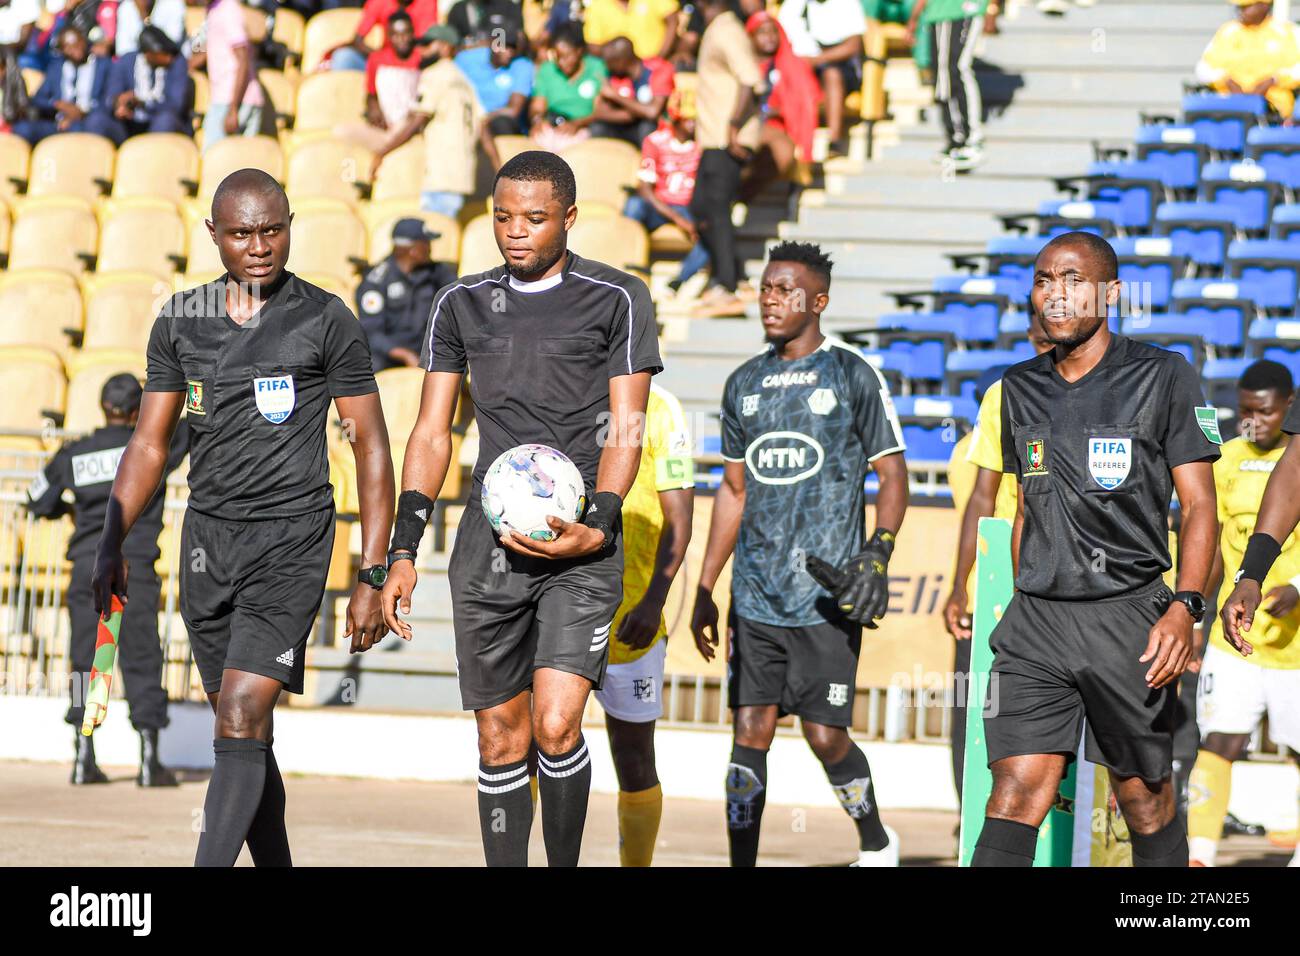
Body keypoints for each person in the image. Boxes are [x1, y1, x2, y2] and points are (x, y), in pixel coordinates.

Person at [92, 169, 395, 867]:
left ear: (289, 225)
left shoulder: (325, 318)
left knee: (238, 716)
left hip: (291, 543)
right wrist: (113, 535)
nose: (259, 246)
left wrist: (374, 569)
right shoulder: (180, 319)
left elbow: (371, 443)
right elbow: (149, 441)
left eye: (272, 229)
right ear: (214, 236)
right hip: (208, 543)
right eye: (241, 233)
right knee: (245, 736)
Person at [380, 150, 662, 867]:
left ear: (568, 219)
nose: (516, 232)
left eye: (534, 219)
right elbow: (431, 431)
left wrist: (598, 522)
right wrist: (403, 548)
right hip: (488, 545)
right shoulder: (460, 303)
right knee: (501, 737)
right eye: (504, 217)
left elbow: (627, 426)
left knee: (558, 724)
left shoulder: (618, 298)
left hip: (582, 544)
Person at [970, 232, 1221, 868]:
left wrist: (1186, 607)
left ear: (1110, 292)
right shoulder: (1017, 387)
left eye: (1074, 280)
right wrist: (1019, 599)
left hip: (1131, 619)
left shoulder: (1165, 375)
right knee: (1016, 788)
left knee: (1143, 801)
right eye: (1044, 279)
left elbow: (1199, 508)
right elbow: (1028, 507)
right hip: (1037, 625)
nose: (1055, 294)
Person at [690, 241, 910, 867]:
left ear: (818, 301)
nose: (770, 299)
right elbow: (733, 490)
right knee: (749, 733)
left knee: (825, 736)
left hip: (826, 594)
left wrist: (878, 553)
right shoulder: (743, 384)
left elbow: (893, 475)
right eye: (765, 288)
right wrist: (707, 587)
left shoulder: (852, 373)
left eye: (786, 290)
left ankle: (874, 842)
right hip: (756, 594)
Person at [27, 374, 189, 788]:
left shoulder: (75, 453)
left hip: (87, 569)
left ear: (103, 407)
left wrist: (67, 510)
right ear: (138, 410)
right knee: (141, 660)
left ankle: (84, 757)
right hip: (136, 570)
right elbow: (189, 427)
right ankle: (150, 761)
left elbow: (35, 498)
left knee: (86, 664)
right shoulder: (150, 448)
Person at [941, 314, 1051, 807]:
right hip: (996, 578)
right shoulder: (980, 436)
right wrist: (962, 584)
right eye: (1041, 332)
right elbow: (980, 510)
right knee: (977, 701)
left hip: (1056, 577)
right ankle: (974, 811)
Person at [1194, 361, 1300, 868]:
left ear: (1288, 406)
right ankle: (1199, 855)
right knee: (1219, 741)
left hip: (1296, 645)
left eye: (1264, 411)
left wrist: (1297, 588)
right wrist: (1199, 613)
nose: (1252, 421)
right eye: (1244, 411)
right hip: (1234, 632)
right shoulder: (1225, 459)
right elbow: (1210, 542)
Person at [594, 382, 694, 866]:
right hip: (559, 607)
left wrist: (654, 600)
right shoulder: (559, 385)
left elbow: (679, 514)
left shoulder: (661, 405)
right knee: (535, 744)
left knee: (633, 759)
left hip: (632, 617)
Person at [371, 25, 492, 219]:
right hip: (463, 175)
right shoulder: (466, 82)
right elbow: (485, 131)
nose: (421, 50)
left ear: (445, 47)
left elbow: (417, 121)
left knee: (434, 238)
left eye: (428, 45)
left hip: (442, 176)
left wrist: (382, 152)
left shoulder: (435, 73)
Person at [690, 0, 762, 318]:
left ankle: (727, 285)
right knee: (702, 208)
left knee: (716, 209)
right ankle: (738, 276)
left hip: (725, 138)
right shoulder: (717, 27)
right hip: (712, 137)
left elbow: (751, 79)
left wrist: (734, 125)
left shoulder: (729, 29)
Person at [624, 86, 709, 294]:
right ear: (676, 119)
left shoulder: (704, 145)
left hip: (689, 206)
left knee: (715, 230)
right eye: (689, 119)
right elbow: (644, 188)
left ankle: (679, 279)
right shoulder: (655, 141)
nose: (693, 124)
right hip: (660, 204)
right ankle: (627, 263)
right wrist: (678, 219)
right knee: (633, 206)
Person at [355, 217, 456, 373]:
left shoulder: (436, 272)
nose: (430, 249)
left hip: (426, 347)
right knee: (370, 366)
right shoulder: (375, 282)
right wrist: (405, 355)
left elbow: (458, 297)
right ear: (413, 250)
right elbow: (372, 333)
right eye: (427, 243)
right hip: (389, 352)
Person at [742, 10, 819, 197]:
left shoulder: (792, 64)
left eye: (773, 31)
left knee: (782, 152)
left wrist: (779, 110)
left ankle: (744, 195)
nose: (769, 37)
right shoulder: (742, 64)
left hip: (776, 127)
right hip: (743, 124)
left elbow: (807, 101)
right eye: (762, 32)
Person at [776, 0, 865, 152]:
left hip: (840, 65)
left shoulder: (848, 3)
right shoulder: (792, 6)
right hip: (800, 67)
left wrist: (817, 60)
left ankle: (835, 140)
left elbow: (853, 46)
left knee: (832, 75)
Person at [907, 0, 986, 171]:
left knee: (957, 68)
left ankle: (972, 138)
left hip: (963, 9)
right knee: (943, 76)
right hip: (937, 12)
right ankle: (955, 138)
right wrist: (914, 17)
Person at [1195, 1, 1300, 120]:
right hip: (1228, 106)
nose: (1241, 10)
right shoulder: (1228, 31)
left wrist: (1274, 80)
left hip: (1273, 111)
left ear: (1264, 5)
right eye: (1240, 7)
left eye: (1247, 6)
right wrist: (1226, 80)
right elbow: (1203, 69)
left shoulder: (1286, 32)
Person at [11, 24, 112, 144]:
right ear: (62, 50)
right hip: (59, 122)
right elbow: (38, 99)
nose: (75, 49)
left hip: (89, 121)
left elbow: (109, 99)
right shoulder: (56, 68)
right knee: (23, 129)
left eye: (77, 43)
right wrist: (58, 104)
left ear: (84, 41)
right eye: (68, 46)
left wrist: (82, 113)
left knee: (85, 125)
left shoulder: (103, 65)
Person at [101, 24, 192, 143]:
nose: (169, 57)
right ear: (148, 54)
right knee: (98, 120)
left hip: (160, 122)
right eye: (163, 53)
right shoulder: (126, 62)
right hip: (130, 124)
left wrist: (143, 103)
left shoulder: (177, 62)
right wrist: (118, 103)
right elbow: (110, 96)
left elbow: (176, 105)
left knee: (165, 121)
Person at [194, 0, 266, 150]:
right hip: (223, 98)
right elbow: (204, 51)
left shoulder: (229, 9)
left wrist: (233, 109)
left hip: (234, 100)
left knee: (215, 160)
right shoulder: (212, 10)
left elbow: (243, 59)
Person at [528, 21, 607, 151]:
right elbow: (537, 106)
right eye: (557, 57)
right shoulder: (547, 69)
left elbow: (599, 110)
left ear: (579, 51)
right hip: (553, 126)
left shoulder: (596, 68)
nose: (561, 62)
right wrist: (537, 121)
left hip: (583, 128)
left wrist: (577, 124)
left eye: (566, 57)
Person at [589, 35, 674, 146]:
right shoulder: (615, 77)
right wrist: (634, 113)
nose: (606, 67)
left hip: (654, 129)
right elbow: (599, 113)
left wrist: (615, 96)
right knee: (598, 128)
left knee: (647, 126)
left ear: (620, 61)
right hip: (625, 126)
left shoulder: (658, 69)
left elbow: (653, 112)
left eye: (609, 62)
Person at [455, 27, 532, 136]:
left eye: (512, 48)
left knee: (503, 123)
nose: (509, 53)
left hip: (494, 122)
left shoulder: (522, 65)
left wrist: (484, 118)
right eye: (504, 47)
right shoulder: (466, 59)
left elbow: (513, 110)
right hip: (466, 115)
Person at [330, 0, 440, 72]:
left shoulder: (427, 2)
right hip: (383, 64)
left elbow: (426, 44)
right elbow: (357, 40)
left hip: (414, 64)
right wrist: (381, 59)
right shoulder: (379, 1)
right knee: (344, 57)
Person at [582, 0, 680, 61]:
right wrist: (617, 61)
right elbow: (593, 45)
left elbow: (672, 20)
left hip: (655, 65)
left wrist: (660, 58)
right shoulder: (598, 5)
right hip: (616, 71)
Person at [114, 0, 186, 57]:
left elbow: (172, 43)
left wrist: (144, 15)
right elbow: (123, 50)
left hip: (166, 59)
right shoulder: (127, 6)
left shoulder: (174, 3)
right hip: (135, 60)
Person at [446, 0, 524, 47]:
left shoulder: (509, 7)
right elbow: (449, 44)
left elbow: (520, 39)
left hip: (502, 63)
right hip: (467, 62)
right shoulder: (458, 9)